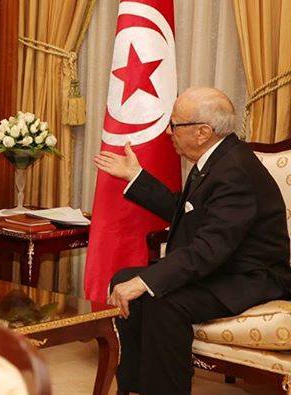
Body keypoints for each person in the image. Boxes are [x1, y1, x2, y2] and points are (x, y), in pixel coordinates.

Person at [94, 87, 291, 394]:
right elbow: (186, 213)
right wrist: (137, 176)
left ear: (203, 132)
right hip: (223, 265)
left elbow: (209, 247)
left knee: (161, 298)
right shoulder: (216, 158)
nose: (169, 132)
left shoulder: (234, 170)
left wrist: (147, 282)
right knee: (127, 279)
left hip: (249, 277)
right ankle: (134, 386)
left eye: (175, 125)